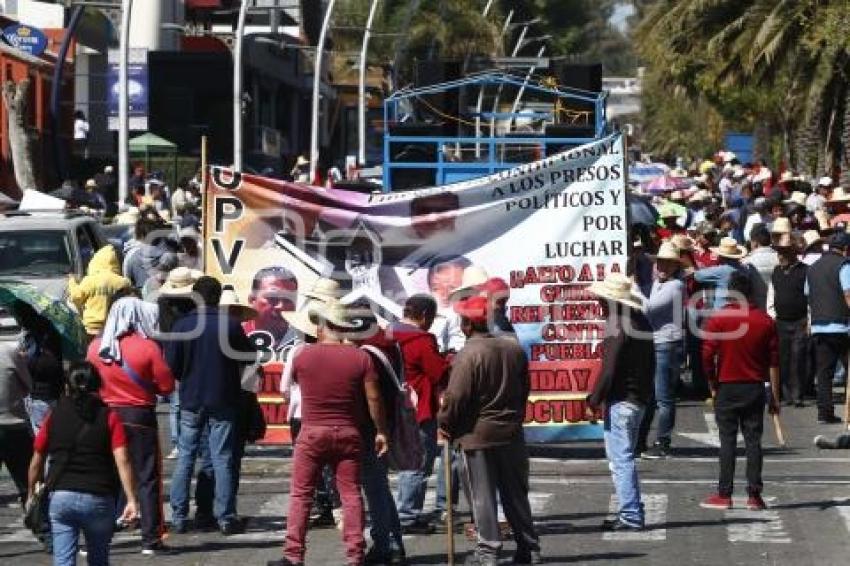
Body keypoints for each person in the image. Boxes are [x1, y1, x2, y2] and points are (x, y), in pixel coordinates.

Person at [270, 300, 389, 566]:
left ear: (323, 326)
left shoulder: (303, 355)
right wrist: (381, 431)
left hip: (312, 431)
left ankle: (294, 555)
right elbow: (374, 399)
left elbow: (291, 389)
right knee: (351, 494)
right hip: (349, 431)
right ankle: (355, 554)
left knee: (302, 494)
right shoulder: (360, 357)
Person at [438, 295, 541, 566]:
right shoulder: (513, 349)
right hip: (510, 432)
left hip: (477, 436)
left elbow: (456, 398)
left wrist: (445, 423)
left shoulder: (468, 355)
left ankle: (488, 552)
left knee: (482, 497)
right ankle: (528, 547)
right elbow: (524, 391)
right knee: (515, 494)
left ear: (466, 325)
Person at [165, 276, 256, 535]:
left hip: (191, 397)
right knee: (223, 457)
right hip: (223, 397)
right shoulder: (229, 325)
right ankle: (226, 516)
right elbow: (249, 356)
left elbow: (171, 367)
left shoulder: (183, 325)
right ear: (218, 298)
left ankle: (179, 516)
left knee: (185, 457)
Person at [26, 362, 140, 565]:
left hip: (61, 496)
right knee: (98, 559)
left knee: (63, 560)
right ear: (98, 385)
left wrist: (30, 492)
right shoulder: (109, 416)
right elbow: (122, 459)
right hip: (99, 497)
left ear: (67, 385)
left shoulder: (55, 415)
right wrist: (131, 499)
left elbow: (37, 457)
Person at [87, 297, 175, 555]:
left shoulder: (95, 348)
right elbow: (167, 385)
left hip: (104, 415)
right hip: (139, 417)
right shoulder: (147, 348)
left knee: (104, 477)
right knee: (148, 477)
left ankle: (98, 536)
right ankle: (150, 538)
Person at [700, 271, 780, 511]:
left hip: (727, 385)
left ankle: (724, 494)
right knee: (754, 441)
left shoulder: (718, 319)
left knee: (727, 441)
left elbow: (706, 355)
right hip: (754, 386)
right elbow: (774, 363)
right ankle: (754, 495)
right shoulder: (765, 321)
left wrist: (712, 383)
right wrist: (774, 396)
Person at [586, 273, 654, 531]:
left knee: (621, 459)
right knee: (624, 457)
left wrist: (594, 398)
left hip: (623, 399)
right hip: (638, 398)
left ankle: (631, 514)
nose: (599, 303)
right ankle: (633, 509)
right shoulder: (641, 321)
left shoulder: (617, 324)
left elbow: (609, 368)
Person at [389, 294, 449, 533]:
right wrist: (449, 360)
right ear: (424, 315)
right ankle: (407, 516)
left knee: (408, 461)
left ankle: (407, 512)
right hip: (417, 406)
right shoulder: (421, 340)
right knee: (417, 463)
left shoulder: (388, 334)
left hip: (394, 404)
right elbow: (437, 373)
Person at [637, 242, 686, 459]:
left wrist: (634, 287)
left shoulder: (676, 286)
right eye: (660, 262)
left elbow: (648, 308)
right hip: (654, 343)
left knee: (664, 397)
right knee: (648, 396)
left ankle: (663, 440)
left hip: (666, 344)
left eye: (668, 263)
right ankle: (641, 439)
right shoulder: (656, 283)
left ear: (676, 266)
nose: (663, 266)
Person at [805, 232, 850, 424]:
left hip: (819, 326)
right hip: (842, 325)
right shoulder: (844, 265)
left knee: (824, 373)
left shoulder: (812, 268)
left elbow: (808, 295)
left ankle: (825, 413)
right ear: (846, 249)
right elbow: (848, 294)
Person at [766, 234, 809, 407]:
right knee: (782, 358)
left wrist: (809, 320)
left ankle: (797, 394)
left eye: (784, 252)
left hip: (800, 321)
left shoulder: (805, 270)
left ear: (793, 253)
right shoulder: (776, 271)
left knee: (798, 358)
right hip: (780, 321)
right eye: (779, 252)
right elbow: (771, 295)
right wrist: (772, 317)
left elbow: (810, 296)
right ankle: (785, 395)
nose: (780, 255)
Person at [13, 301, 63, 436]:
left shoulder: (38, 337)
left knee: (43, 436)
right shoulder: (48, 331)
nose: (17, 320)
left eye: (18, 316)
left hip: (40, 396)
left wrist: (24, 359)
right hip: (51, 393)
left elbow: (45, 364)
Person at [68, 245, 131, 337]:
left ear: (95, 261)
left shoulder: (89, 281)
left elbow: (76, 296)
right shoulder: (123, 282)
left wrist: (72, 281)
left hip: (91, 327)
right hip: (114, 327)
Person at [0, 340, 32, 509]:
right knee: (25, 478)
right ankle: (33, 513)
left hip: (10, 424)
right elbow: (28, 385)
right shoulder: (9, 352)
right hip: (12, 423)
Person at [244, 266, 299, 350]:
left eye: (288, 299)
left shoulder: (302, 346)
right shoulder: (233, 338)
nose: (281, 306)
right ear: (252, 300)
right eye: (272, 298)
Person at [742, 224, 778, 311]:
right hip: (778, 309)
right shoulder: (779, 258)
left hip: (757, 310)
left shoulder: (747, 261)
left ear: (755, 242)